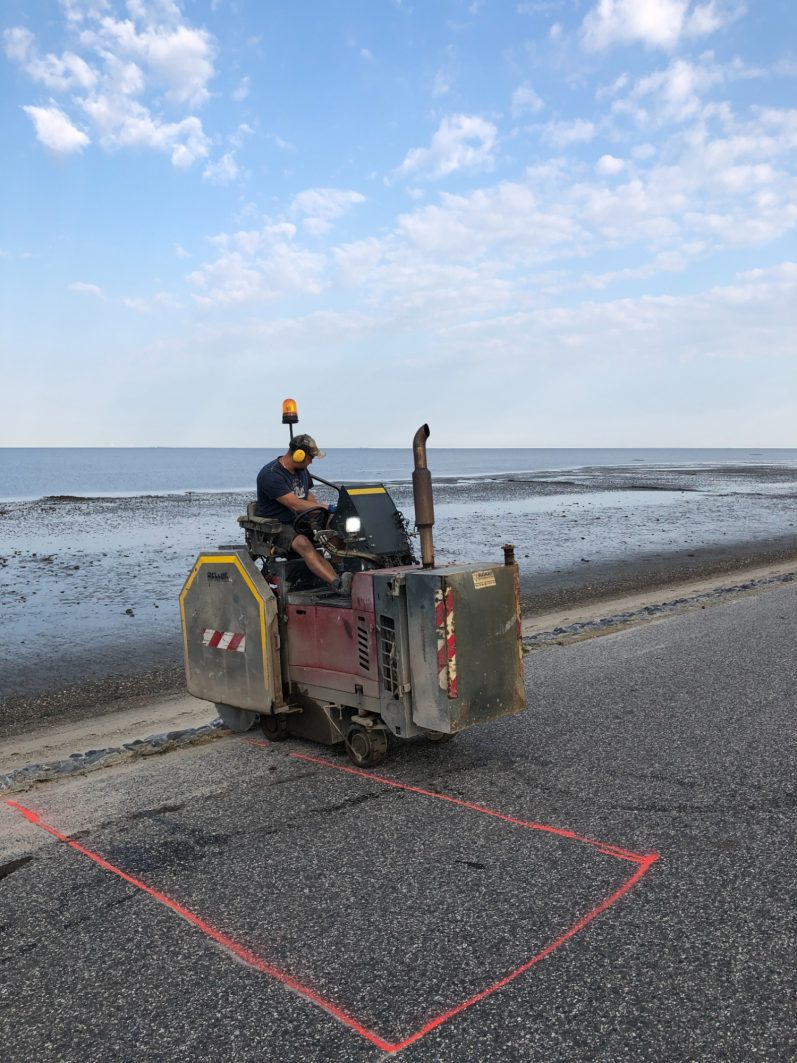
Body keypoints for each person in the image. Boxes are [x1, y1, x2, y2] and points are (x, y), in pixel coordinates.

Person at [256, 434, 351, 592]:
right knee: (302, 543)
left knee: (339, 523)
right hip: (277, 526)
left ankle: (337, 567)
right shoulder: (271, 475)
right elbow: (294, 503)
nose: (311, 462)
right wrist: (324, 507)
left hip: (301, 519)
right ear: (298, 455)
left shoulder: (302, 470)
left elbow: (307, 495)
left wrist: (321, 512)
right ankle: (337, 584)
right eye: (310, 458)